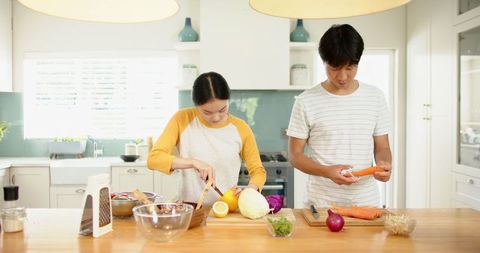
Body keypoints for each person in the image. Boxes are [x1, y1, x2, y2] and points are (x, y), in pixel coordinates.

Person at [286, 24, 392, 208]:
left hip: (366, 204)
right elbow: (295, 155)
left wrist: (384, 163)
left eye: (350, 67)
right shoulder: (306, 101)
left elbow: (382, 146)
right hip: (321, 205)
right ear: (324, 62)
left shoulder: (375, 97)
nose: (342, 76)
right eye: (335, 68)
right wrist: (326, 171)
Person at [147, 72, 266, 207]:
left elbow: (258, 171)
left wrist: (250, 190)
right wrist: (192, 162)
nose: (216, 117)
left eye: (222, 109)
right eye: (207, 112)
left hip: (226, 210)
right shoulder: (182, 119)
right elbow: (154, 159)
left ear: (228, 100)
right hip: (189, 211)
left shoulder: (241, 128)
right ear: (196, 105)